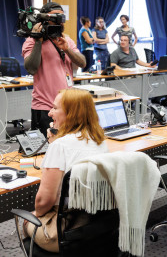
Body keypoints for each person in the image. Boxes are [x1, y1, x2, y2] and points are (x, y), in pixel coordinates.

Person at [23, 88, 109, 252]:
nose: (49, 113)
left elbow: (43, 202)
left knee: (26, 221)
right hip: (98, 224)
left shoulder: (60, 146)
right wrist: (57, 142)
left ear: (71, 114)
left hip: (64, 231)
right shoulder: (99, 140)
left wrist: (55, 145)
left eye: (55, 108)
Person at [22, 2, 86, 137]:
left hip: (68, 107)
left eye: (61, 18)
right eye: (54, 18)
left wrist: (67, 49)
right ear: (44, 19)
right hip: (45, 108)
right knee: (45, 153)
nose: (59, 22)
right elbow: (31, 68)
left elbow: (82, 62)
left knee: (66, 149)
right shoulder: (31, 41)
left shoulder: (66, 40)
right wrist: (38, 40)